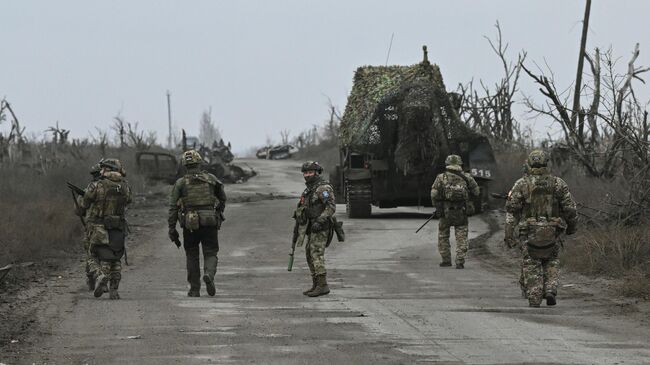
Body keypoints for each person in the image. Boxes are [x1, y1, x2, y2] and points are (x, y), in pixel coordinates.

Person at [506, 150, 577, 307]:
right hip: (552, 231)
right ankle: (550, 289)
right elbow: (570, 209)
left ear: (529, 164)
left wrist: (509, 233)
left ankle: (535, 296)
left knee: (532, 262)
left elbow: (512, 209)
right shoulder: (558, 183)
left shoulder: (521, 184)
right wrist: (572, 227)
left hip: (529, 233)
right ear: (546, 163)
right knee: (551, 260)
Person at [168, 150, 226, 297]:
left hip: (190, 224)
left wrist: (171, 228)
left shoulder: (180, 183)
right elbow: (223, 197)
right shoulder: (211, 179)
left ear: (185, 165)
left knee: (192, 255)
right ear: (200, 163)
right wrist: (218, 212)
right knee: (211, 252)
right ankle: (209, 275)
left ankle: (194, 289)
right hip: (210, 221)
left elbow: (173, 207)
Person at [78, 158, 132, 299]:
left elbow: (83, 205)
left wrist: (80, 197)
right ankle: (114, 290)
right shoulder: (125, 186)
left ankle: (101, 276)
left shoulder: (96, 185)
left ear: (107, 170)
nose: (101, 171)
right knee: (115, 257)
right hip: (118, 228)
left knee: (92, 256)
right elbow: (129, 201)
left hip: (98, 227)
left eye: (103, 168)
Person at [294, 161, 336, 297]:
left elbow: (331, 207)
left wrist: (320, 220)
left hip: (321, 226)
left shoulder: (322, 188)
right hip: (311, 226)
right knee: (309, 254)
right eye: (305, 173)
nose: (307, 175)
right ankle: (316, 284)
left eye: (310, 172)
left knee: (316, 254)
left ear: (317, 172)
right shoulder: (309, 189)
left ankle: (323, 285)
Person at [430, 154, 480, 269]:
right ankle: (460, 261)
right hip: (461, 212)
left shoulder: (441, 177)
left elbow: (434, 194)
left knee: (443, 236)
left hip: (445, 212)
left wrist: (438, 207)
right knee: (461, 237)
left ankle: (446, 260)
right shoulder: (467, 177)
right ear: (460, 164)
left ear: (447, 164)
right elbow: (476, 192)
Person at [81, 162, 103, 291]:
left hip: (93, 224)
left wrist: (81, 197)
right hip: (112, 225)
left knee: (91, 253)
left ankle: (92, 278)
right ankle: (105, 279)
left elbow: (82, 207)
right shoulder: (115, 186)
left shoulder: (91, 187)